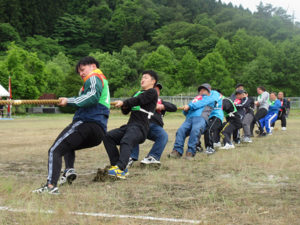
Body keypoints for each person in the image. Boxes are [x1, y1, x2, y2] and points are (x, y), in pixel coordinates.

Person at [33, 56, 110, 194]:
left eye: (82, 69)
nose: (81, 73)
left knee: (54, 150)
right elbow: (90, 98)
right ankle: (69, 170)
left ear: (93, 66)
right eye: (79, 72)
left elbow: (92, 97)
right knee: (67, 145)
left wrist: (69, 100)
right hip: (98, 132)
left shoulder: (94, 76)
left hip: (87, 123)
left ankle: (50, 186)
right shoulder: (102, 81)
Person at [104, 70, 158, 179]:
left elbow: (139, 100)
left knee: (126, 140)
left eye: (146, 78)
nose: (142, 79)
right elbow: (126, 111)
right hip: (130, 125)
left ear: (153, 81)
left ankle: (120, 167)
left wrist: (124, 102)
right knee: (107, 137)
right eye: (142, 77)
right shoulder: (137, 93)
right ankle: (116, 166)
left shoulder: (152, 92)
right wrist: (124, 106)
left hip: (141, 127)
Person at [128, 83, 177, 166]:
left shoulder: (160, 101)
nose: (156, 91)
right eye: (154, 89)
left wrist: (162, 106)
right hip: (140, 123)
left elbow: (174, 107)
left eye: (158, 90)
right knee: (132, 130)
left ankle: (152, 157)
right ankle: (130, 157)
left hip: (154, 126)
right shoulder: (141, 97)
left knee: (163, 135)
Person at [168, 83, 220, 159]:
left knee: (195, 131)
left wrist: (190, 106)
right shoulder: (196, 99)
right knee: (180, 131)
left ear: (209, 91)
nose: (201, 91)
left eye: (204, 90)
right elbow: (186, 111)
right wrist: (185, 109)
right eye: (200, 90)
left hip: (200, 118)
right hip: (189, 118)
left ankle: (190, 152)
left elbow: (199, 104)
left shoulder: (210, 98)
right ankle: (177, 151)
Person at [203, 90, 224, 154]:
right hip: (210, 116)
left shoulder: (215, 94)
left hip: (217, 116)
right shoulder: (204, 96)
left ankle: (210, 148)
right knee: (202, 129)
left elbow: (213, 101)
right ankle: (198, 147)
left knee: (209, 129)